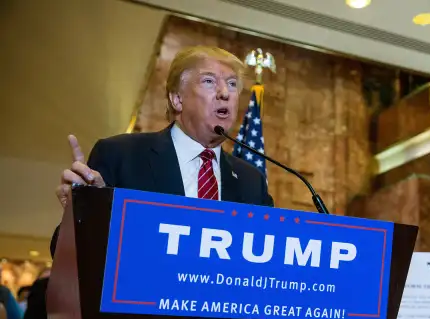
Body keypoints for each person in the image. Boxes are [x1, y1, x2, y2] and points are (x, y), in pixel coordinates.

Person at [52, 46, 273, 256]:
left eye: (232, 84)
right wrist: (86, 213)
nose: (225, 93)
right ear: (177, 99)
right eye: (209, 81)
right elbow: (68, 255)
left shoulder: (251, 181)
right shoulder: (120, 155)